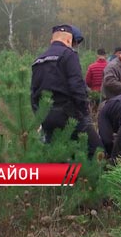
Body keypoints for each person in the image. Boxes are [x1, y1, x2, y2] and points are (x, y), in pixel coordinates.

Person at [30, 24, 103, 158]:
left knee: (57, 156)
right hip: (69, 115)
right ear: (69, 41)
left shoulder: (38, 60)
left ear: (52, 40)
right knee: (97, 151)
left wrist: (40, 115)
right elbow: (77, 86)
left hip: (47, 117)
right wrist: (84, 112)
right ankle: (89, 177)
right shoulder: (68, 55)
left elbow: (33, 94)